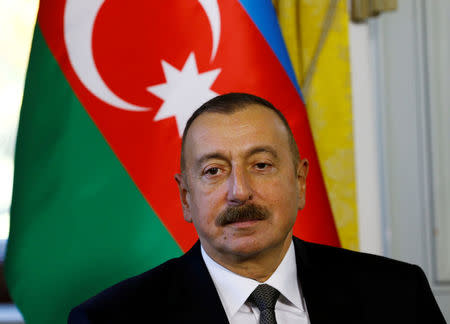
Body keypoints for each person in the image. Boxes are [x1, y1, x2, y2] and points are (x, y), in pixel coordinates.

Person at [68, 93, 446, 324]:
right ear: (186, 197)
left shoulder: (397, 296)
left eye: (261, 165)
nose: (240, 192)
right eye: (214, 171)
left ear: (299, 182)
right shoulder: (111, 319)